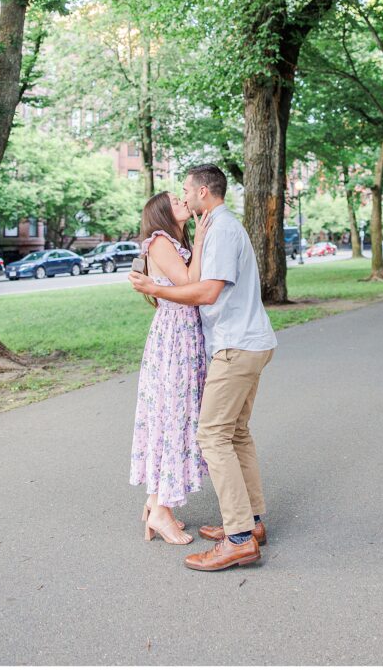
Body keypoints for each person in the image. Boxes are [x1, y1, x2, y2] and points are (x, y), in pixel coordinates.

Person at [129, 163, 277, 572]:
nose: (183, 197)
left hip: (236, 346)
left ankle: (240, 539)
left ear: (204, 193)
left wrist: (154, 289)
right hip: (242, 342)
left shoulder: (222, 229)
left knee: (212, 436)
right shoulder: (212, 227)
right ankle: (253, 523)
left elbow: (208, 291)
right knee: (235, 433)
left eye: (186, 191)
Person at [129, 191, 211, 545]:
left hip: (182, 333)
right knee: (173, 416)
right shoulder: (160, 241)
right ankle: (160, 510)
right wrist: (203, 236)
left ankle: (156, 505)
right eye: (175, 200)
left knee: (171, 416)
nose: (183, 200)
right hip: (175, 336)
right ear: (162, 212)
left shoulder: (173, 241)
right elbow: (190, 284)